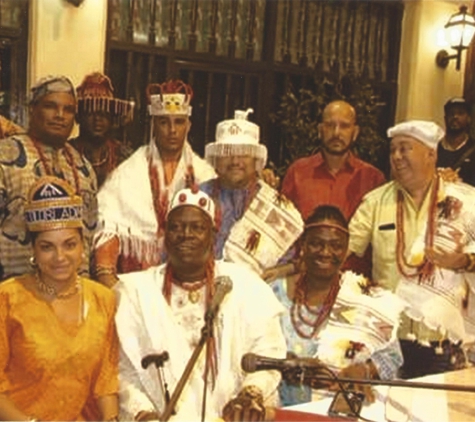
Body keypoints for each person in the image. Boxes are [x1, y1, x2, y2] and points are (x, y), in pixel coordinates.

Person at [115, 187, 286, 421]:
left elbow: (267, 352)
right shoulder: (135, 292)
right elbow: (122, 370)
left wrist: (251, 393)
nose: (186, 234)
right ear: (165, 235)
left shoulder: (246, 285)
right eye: (176, 227)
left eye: (197, 227)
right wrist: (142, 413)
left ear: (213, 236)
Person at [349, 120, 475, 379]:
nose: (396, 157)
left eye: (405, 149)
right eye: (393, 150)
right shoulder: (375, 202)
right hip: (388, 343)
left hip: (446, 342)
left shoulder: (464, 201)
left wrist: (465, 261)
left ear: (431, 153)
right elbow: (342, 251)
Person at [0, 176, 118, 421]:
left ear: (82, 246)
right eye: (47, 247)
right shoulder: (8, 299)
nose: (60, 256)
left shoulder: (103, 299)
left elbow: (106, 382)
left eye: (69, 244)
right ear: (33, 250)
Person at [271, 205, 404, 406]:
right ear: (303, 246)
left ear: (346, 249)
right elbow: (249, 349)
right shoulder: (272, 294)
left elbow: (392, 356)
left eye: (336, 245)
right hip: (279, 411)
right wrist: (285, 364)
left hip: (343, 410)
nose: (326, 252)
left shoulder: (366, 298)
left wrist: (363, 370)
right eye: (316, 243)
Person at [94, 79, 215, 287]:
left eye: (178, 122)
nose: (172, 130)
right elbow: (107, 226)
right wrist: (110, 283)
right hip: (136, 281)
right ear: (153, 125)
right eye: (164, 122)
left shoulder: (205, 174)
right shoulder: (127, 173)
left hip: (191, 283)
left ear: (188, 125)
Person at [0, 75, 98, 281]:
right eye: (51, 106)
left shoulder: (84, 168)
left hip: (72, 297)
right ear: (32, 109)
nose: (60, 115)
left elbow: (88, 239)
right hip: (12, 296)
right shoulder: (5, 155)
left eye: (69, 110)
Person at [200, 108, 303, 276]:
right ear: (216, 159)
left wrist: (277, 272)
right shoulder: (198, 196)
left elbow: (295, 263)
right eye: (227, 153)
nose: (235, 161)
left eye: (244, 154)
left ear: (256, 159)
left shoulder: (275, 204)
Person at [281, 100, 385, 221]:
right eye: (330, 125)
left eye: (344, 126)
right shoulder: (298, 172)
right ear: (320, 130)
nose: (336, 133)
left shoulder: (372, 179)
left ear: (355, 132)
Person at [70, 72, 134, 188]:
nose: (98, 119)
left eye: (104, 113)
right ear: (79, 117)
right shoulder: (66, 154)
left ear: (112, 119)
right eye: (91, 113)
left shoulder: (125, 156)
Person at [437, 97, 475, 186]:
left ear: (469, 118)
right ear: (445, 118)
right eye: (451, 113)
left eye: (460, 113)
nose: (455, 117)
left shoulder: (473, 150)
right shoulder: (433, 149)